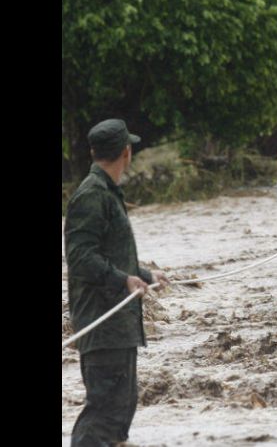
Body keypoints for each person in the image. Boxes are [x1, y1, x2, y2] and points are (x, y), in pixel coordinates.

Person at [65, 118, 170, 447]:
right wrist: (122, 280)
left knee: (121, 407)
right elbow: (80, 258)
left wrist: (146, 275)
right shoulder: (91, 196)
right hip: (102, 322)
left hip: (117, 324)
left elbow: (108, 256)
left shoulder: (105, 193)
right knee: (104, 412)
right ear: (126, 152)